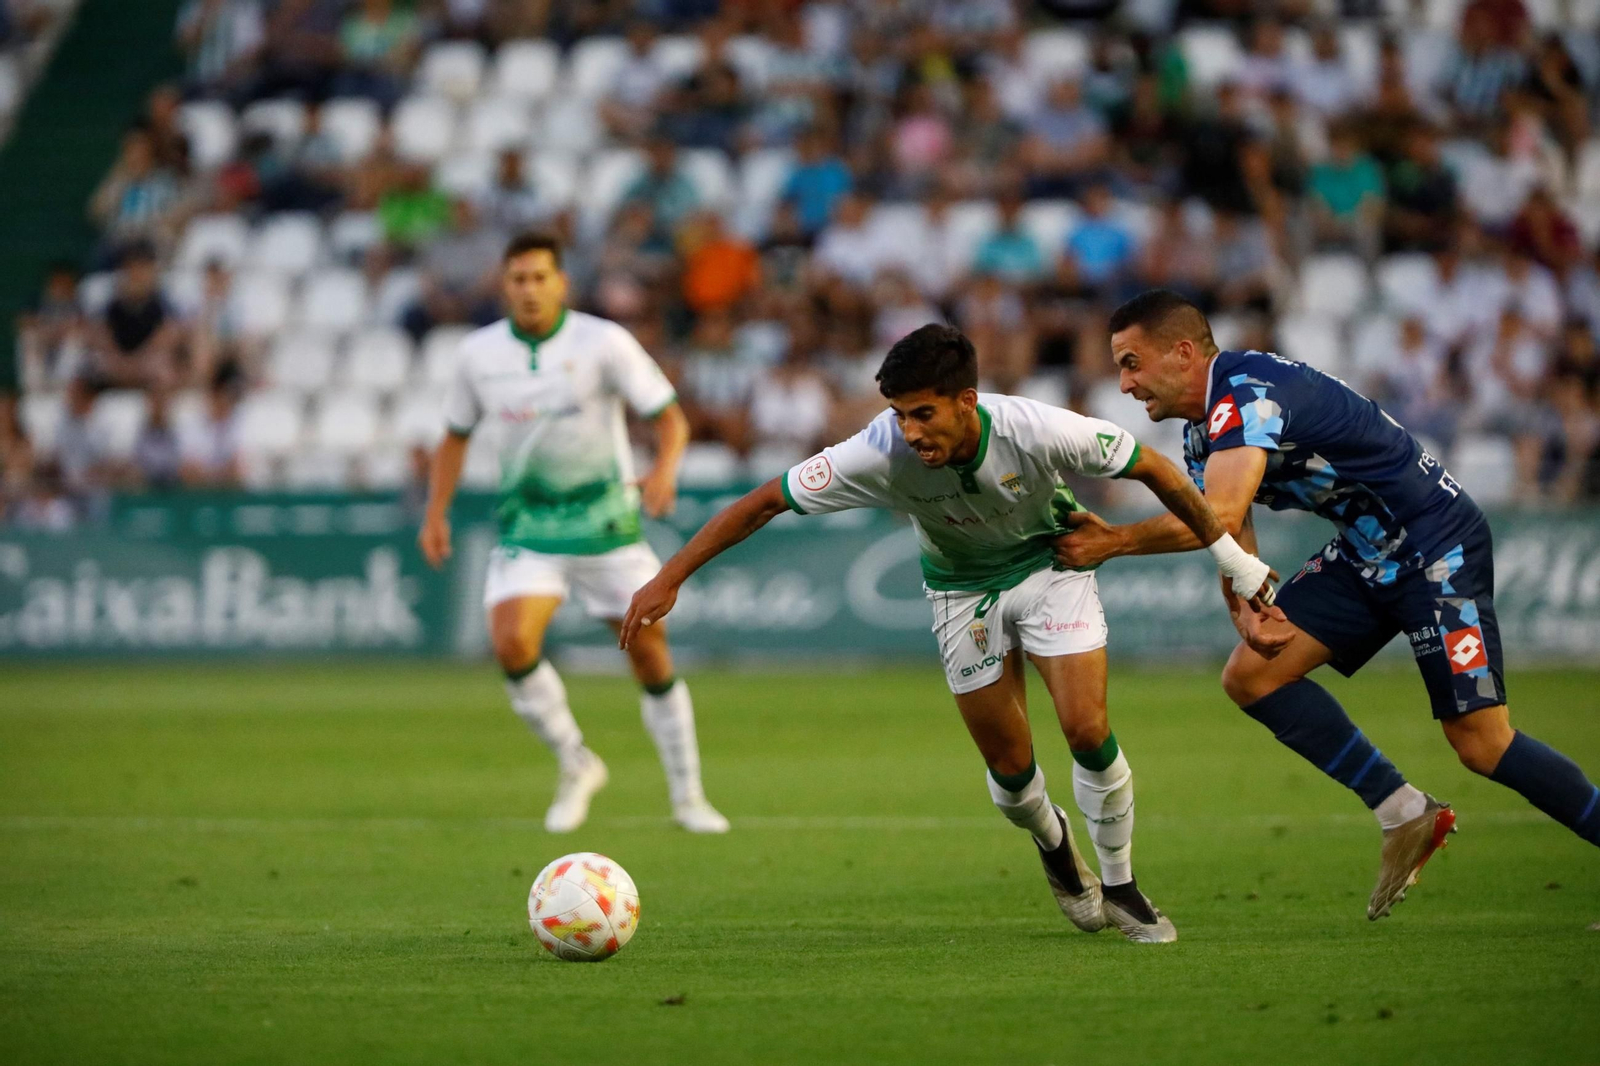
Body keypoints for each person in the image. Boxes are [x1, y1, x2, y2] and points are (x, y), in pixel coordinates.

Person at [619, 324, 1276, 943]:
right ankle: (1053, 845)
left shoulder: (1036, 427)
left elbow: (1155, 470)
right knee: (1013, 775)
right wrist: (670, 577)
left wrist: (1235, 561)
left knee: (1086, 729)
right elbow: (763, 501)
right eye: (899, 414)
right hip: (962, 592)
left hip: (1053, 564)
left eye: (922, 414)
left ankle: (1123, 884)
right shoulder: (875, 452)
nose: (908, 431)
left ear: (967, 401)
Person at [1056, 289, 1600, 920]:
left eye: (1131, 362)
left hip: (1434, 542)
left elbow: (1221, 514)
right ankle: (1402, 812)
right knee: (1253, 675)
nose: (1124, 384)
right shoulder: (1202, 434)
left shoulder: (1246, 391)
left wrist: (1114, 541)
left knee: (1481, 743)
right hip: (1369, 553)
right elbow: (1231, 534)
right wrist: (1244, 602)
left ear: (1182, 352)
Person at [418, 232, 728, 836]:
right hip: (529, 530)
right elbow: (454, 436)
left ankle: (688, 795)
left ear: (562, 282)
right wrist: (436, 513)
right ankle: (576, 761)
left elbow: (670, 418)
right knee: (511, 644)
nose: (530, 290)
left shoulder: (604, 342)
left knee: (649, 652)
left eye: (540, 277)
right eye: (518, 279)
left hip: (607, 528)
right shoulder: (477, 355)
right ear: (503, 286)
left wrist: (665, 470)